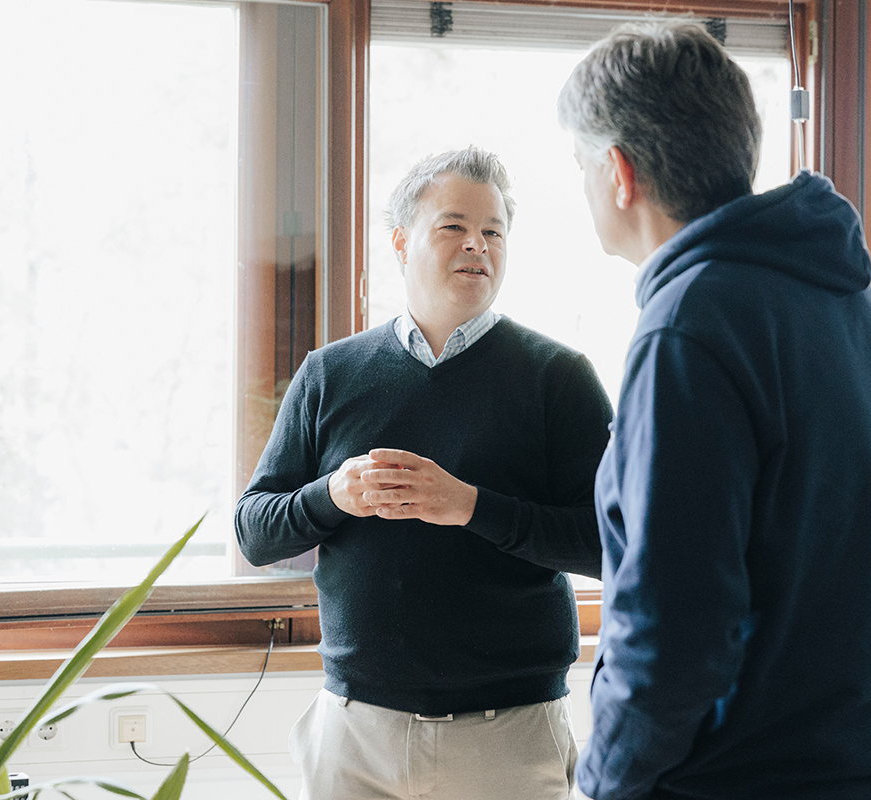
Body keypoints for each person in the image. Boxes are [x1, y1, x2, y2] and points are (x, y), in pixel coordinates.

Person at [556, 20, 871, 800]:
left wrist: (603, 783)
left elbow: (671, 625)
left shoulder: (691, 323)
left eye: (578, 163)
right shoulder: (852, 302)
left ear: (618, 171)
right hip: (858, 773)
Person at [235, 146, 613, 800]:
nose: (478, 245)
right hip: (356, 734)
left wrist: (471, 506)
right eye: (454, 226)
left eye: (494, 231)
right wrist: (334, 495)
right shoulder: (330, 373)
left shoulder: (559, 378)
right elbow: (254, 533)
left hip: (509, 732)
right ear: (402, 242)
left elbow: (612, 546)